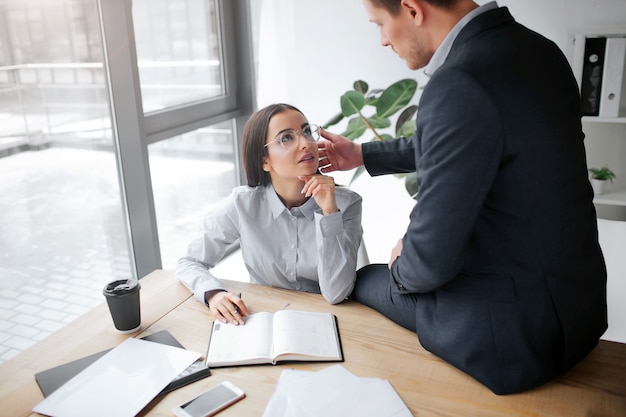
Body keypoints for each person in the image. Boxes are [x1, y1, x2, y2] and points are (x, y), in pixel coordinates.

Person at [318, 0, 607, 395]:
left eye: (380, 24)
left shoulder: (458, 81)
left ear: (412, 9)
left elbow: (429, 262)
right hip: (578, 312)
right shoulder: (540, 50)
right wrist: (363, 154)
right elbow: (473, 137)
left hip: (514, 341)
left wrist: (402, 264)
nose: (383, 41)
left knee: (364, 277)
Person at [177, 103, 363, 326]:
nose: (305, 143)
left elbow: (336, 293)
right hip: (260, 318)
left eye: (306, 132)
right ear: (265, 161)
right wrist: (213, 293)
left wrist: (329, 213)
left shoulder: (347, 204)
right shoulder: (242, 204)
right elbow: (189, 261)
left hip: (327, 321)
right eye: (286, 138)